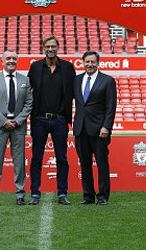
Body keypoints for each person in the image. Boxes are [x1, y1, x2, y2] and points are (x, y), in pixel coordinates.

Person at [27, 35, 76, 205]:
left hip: (60, 120)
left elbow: (75, 92)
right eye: (47, 46)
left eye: (53, 46)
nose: (50, 49)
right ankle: (35, 193)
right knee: (36, 158)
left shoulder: (68, 67)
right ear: (44, 48)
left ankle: (62, 193)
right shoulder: (35, 67)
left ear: (58, 48)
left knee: (62, 158)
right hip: (39, 119)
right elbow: (26, 92)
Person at [0, 50, 33, 206]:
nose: (11, 61)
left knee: (19, 163)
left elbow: (29, 104)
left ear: (17, 61)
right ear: (2, 61)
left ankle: (20, 194)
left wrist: (17, 121)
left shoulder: (25, 80)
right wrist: (3, 121)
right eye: (8, 58)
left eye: (14, 58)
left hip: (18, 127)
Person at [73, 50, 117, 205]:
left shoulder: (107, 81)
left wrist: (106, 127)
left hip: (99, 130)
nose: (90, 64)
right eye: (87, 62)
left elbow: (111, 106)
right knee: (85, 165)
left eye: (93, 62)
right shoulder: (77, 80)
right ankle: (88, 196)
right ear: (83, 63)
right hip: (80, 129)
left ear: (98, 63)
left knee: (102, 164)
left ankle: (103, 196)